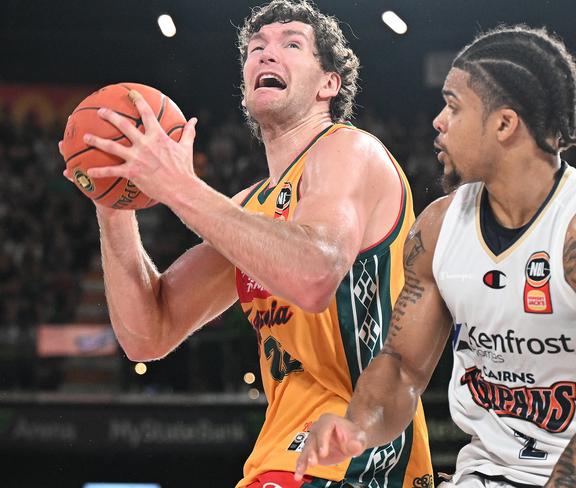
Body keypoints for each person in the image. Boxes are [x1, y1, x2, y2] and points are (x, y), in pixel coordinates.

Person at [65, 1, 433, 486]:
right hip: (283, 451)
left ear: (328, 84)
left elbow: (314, 275)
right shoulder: (250, 206)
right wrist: (114, 199)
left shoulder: (349, 149)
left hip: (357, 446)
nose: (266, 54)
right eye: (256, 48)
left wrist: (179, 185)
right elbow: (147, 335)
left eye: (291, 45)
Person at [295, 25, 576, 488]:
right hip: (484, 472)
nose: (438, 121)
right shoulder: (438, 228)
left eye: (453, 106)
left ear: (504, 124)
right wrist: (358, 425)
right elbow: (403, 365)